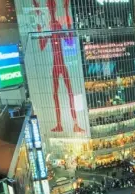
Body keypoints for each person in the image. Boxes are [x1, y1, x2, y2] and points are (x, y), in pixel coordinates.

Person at [32, 0, 85, 133]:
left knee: (69, 94)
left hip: (61, 64)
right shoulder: (50, 26)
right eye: (49, 7)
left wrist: (67, 11)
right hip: (56, 65)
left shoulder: (56, 26)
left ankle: (75, 123)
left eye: (51, 6)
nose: (50, 9)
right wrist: (38, 18)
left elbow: (69, 40)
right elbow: (42, 45)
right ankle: (60, 124)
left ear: (54, 8)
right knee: (56, 94)